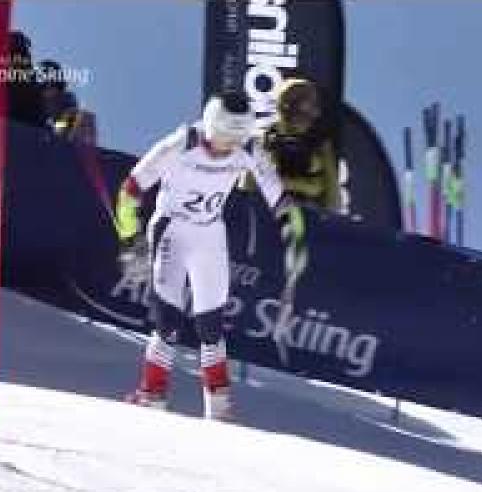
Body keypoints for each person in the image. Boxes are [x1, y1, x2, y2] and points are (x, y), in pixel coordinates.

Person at [113, 91, 298, 420]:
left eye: (236, 139)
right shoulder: (182, 144)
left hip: (209, 234)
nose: (229, 147)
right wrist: (130, 237)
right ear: (212, 127)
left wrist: (291, 229)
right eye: (225, 137)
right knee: (167, 320)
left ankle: (219, 403)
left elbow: (279, 197)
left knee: (211, 323)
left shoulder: (249, 149)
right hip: (172, 230)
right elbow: (130, 190)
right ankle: (152, 393)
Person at [242, 77, 341, 285]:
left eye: (313, 110)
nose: (310, 116)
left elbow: (332, 197)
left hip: (307, 226)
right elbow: (247, 189)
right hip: (266, 226)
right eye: (304, 108)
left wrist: (329, 227)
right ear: (286, 108)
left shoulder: (320, 146)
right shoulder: (262, 140)